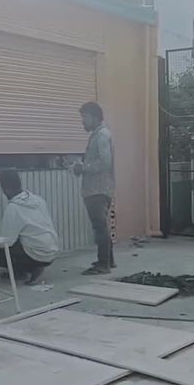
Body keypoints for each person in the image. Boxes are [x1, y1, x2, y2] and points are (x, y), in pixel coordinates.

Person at [0, 170, 59, 285]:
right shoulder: (38, 199)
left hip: (36, 254)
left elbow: (7, 241)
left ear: (6, 188)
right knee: (22, 238)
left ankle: (27, 269)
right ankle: (29, 268)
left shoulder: (13, 208)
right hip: (52, 250)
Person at [74, 102, 115, 275]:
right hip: (98, 188)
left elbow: (105, 162)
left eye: (85, 117)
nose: (82, 121)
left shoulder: (101, 136)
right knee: (102, 226)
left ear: (95, 117)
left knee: (100, 227)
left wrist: (83, 167)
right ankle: (108, 260)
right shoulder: (98, 134)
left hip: (97, 189)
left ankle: (103, 264)